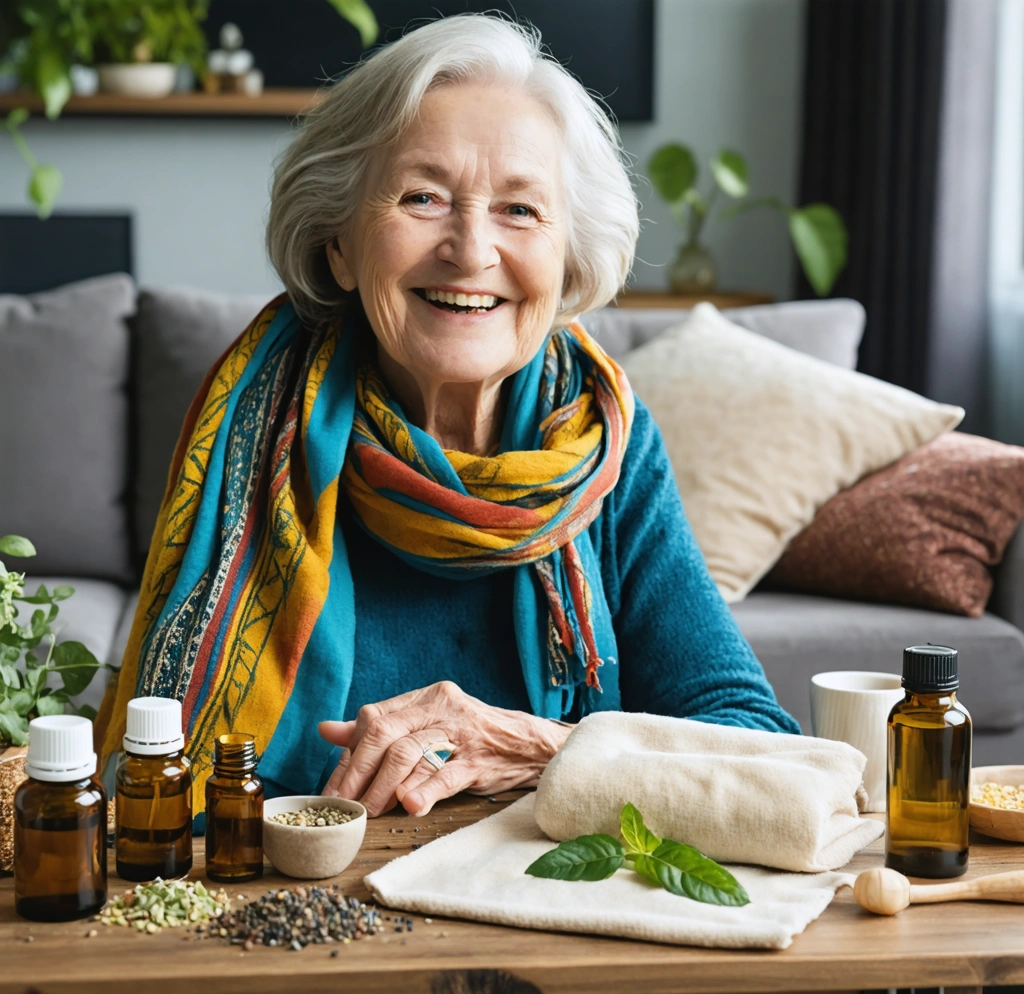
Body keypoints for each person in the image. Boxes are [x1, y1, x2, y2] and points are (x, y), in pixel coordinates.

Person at [96, 14, 798, 827]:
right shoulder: (256, 434)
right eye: (423, 198)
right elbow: (158, 792)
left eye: (520, 210)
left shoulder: (607, 445)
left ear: (568, 259)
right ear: (340, 246)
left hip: (539, 888)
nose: (470, 250)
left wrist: (530, 747)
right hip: (289, 884)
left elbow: (760, 750)